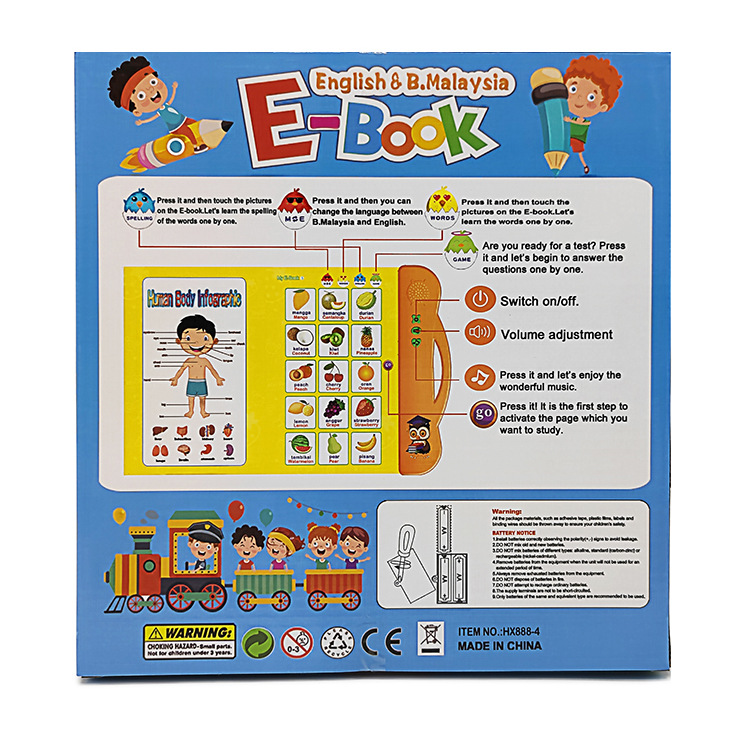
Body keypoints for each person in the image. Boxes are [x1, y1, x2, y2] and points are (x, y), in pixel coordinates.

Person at [108, 56, 205, 152]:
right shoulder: (160, 112)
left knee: (195, 123)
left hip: (183, 119)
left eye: (153, 82)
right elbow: (153, 118)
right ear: (137, 112)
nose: (150, 89)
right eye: (141, 96)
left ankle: (204, 136)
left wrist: (174, 89)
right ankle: (196, 146)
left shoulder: (165, 105)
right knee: (188, 132)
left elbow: (171, 99)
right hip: (176, 127)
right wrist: (142, 122)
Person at [563, 56, 622, 174]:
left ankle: (584, 166)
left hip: (577, 139)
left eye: (591, 97)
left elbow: (580, 127)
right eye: (573, 89)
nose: (579, 98)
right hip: (570, 138)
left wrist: (569, 121)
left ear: (603, 107)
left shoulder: (585, 122)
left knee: (578, 153)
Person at [169, 315, 225, 418]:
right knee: (191, 398)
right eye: (188, 338)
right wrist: (176, 378)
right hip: (191, 382)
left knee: (203, 398)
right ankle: (190, 411)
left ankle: (203, 411)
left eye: (204, 338)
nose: (197, 343)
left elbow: (212, 370)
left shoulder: (205, 361)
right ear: (179, 341)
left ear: (214, 341)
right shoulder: (189, 361)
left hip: (201, 382)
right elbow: (181, 370)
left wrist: (217, 378)